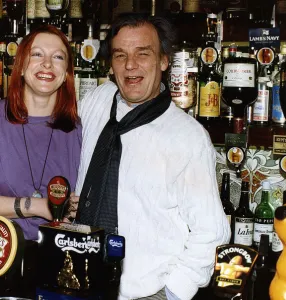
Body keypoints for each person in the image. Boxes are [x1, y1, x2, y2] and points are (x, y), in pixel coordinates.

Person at [74, 14, 230, 300]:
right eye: (120, 55)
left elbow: (211, 232)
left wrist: (170, 293)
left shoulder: (187, 136)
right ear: (111, 64)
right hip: (77, 283)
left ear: (163, 61)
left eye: (142, 54)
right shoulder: (96, 101)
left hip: (141, 293)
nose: (130, 65)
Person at [0, 24, 81, 241]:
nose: (47, 63)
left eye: (58, 57)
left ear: (66, 74)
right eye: (37, 54)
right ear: (22, 67)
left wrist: (74, 210)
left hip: (58, 255)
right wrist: (35, 206)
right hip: (4, 256)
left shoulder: (77, 130)